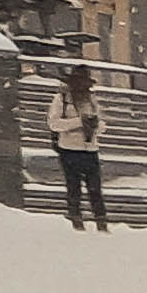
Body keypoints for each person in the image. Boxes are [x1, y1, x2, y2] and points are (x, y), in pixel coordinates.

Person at [47, 64, 109, 230]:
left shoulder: (92, 100)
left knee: (95, 188)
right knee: (74, 187)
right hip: (69, 150)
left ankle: (101, 220)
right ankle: (76, 219)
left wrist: (95, 125)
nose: (84, 87)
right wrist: (79, 122)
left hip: (90, 149)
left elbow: (102, 124)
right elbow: (54, 123)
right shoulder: (62, 99)